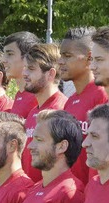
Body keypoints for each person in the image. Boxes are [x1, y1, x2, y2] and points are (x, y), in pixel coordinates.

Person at [14, 110, 85, 203]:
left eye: (39, 140)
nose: (30, 146)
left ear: (61, 147)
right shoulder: (33, 190)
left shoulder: (70, 193)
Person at [60, 27, 108, 183]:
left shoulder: (101, 95)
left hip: (92, 190)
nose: (61, 61)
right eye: (61, 55)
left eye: (67, 56)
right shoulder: (70, 101)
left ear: (89, 58)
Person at [21, 43, 68, 182]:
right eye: (25, 68)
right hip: (32, 192)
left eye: (31, 69)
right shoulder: (33, 112)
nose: (24, 74)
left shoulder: (61, 109)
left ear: (50, 74)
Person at [2, 31, 40, 118]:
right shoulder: (19, 94)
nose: (3, 60)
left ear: (28, 57)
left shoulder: (36, 96)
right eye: (4, 54)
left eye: (10, 54)